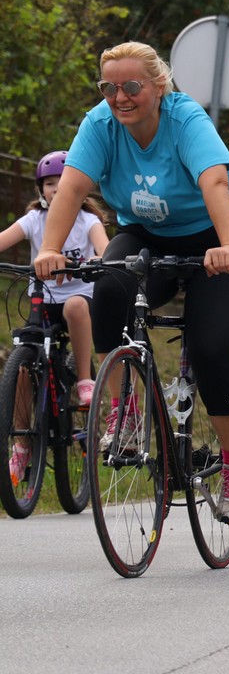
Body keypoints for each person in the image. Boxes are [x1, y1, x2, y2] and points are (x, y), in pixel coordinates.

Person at [33, 41, 229, 524]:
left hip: (221, 237)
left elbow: (215, 183)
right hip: (147, 236)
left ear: (159, 86)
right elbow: (72, 189)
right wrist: (49, 250)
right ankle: (125, 412)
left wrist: (227, 244)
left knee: (210, 346)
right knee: (109, 289)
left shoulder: (186, 120)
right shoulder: (99, 125)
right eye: (109, 87)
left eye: (132, 86)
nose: (120, 97)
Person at [2, 151, 109, 484]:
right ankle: (22, 445)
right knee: (21, 365)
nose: (56, 188)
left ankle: (84, 378)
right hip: (42, 300)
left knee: (75, 306)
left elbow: (105, 249)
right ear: (41, 189)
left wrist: (98, 260)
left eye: (63, 182)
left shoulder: (88, 220)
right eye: (49, 183)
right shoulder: (35, 220)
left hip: (80, 303)